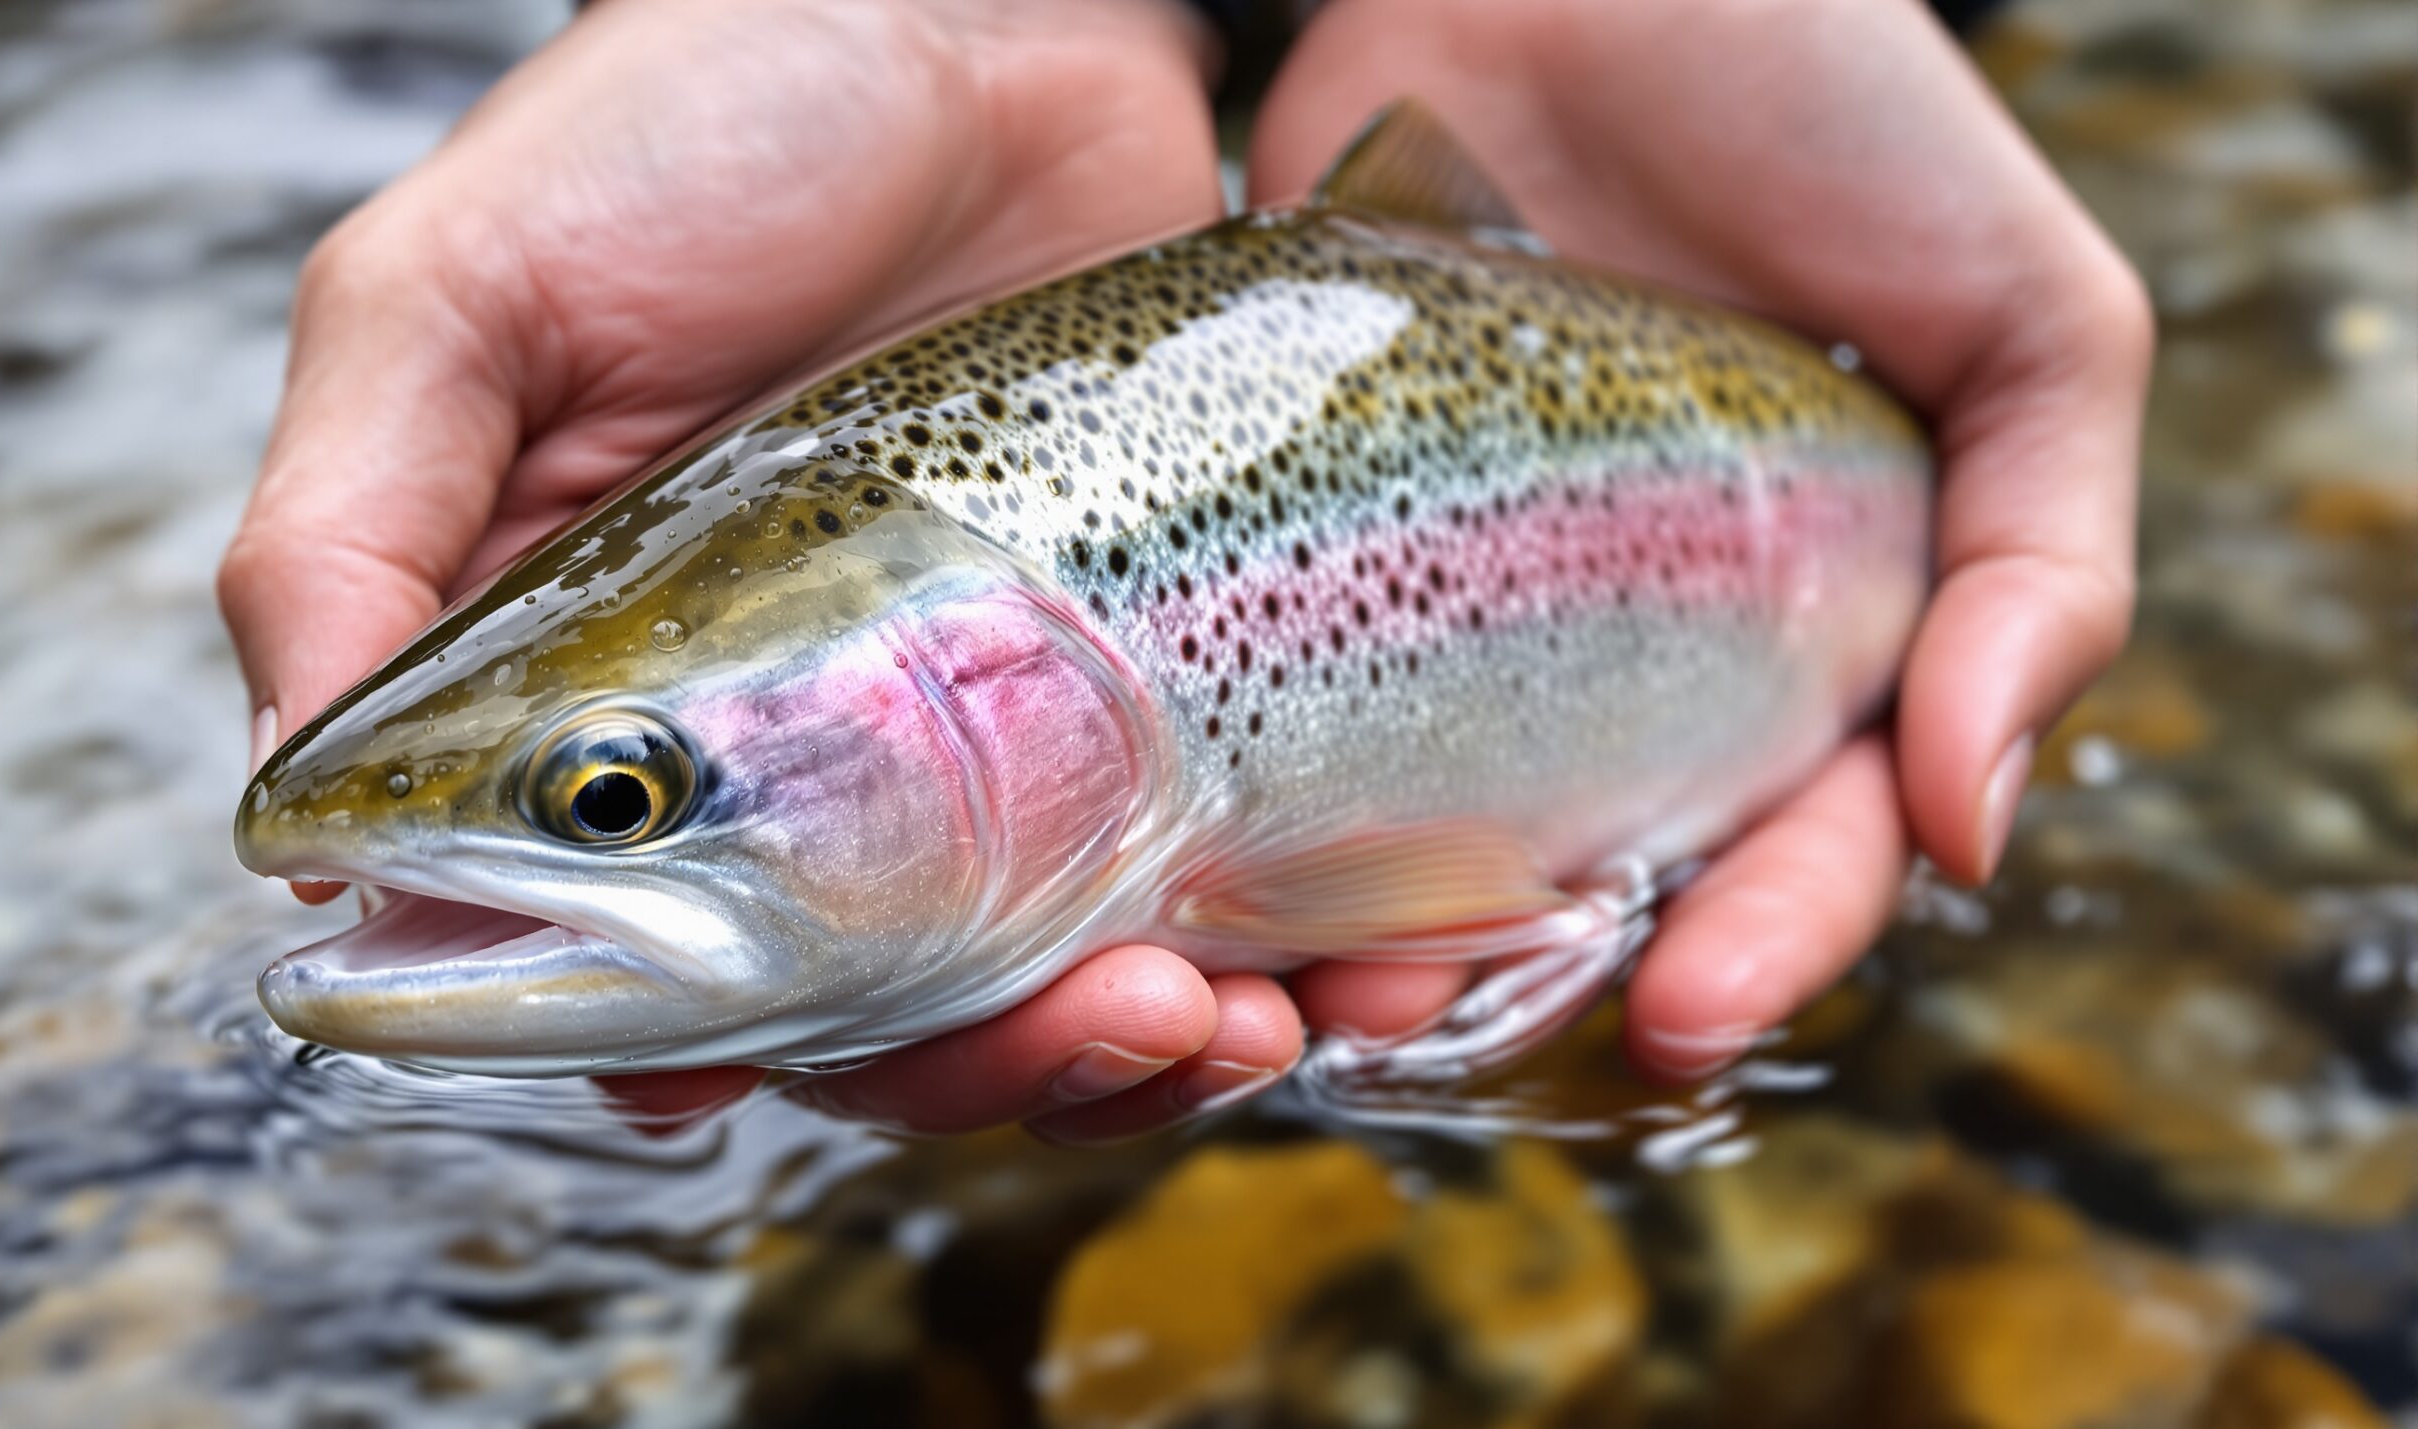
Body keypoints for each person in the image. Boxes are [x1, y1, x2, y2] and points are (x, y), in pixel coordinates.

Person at [217, 0, 2148, 1143]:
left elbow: (1429, 895)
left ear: (991, 682)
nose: (616, 814)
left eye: (619, 795)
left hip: (1797, 488)